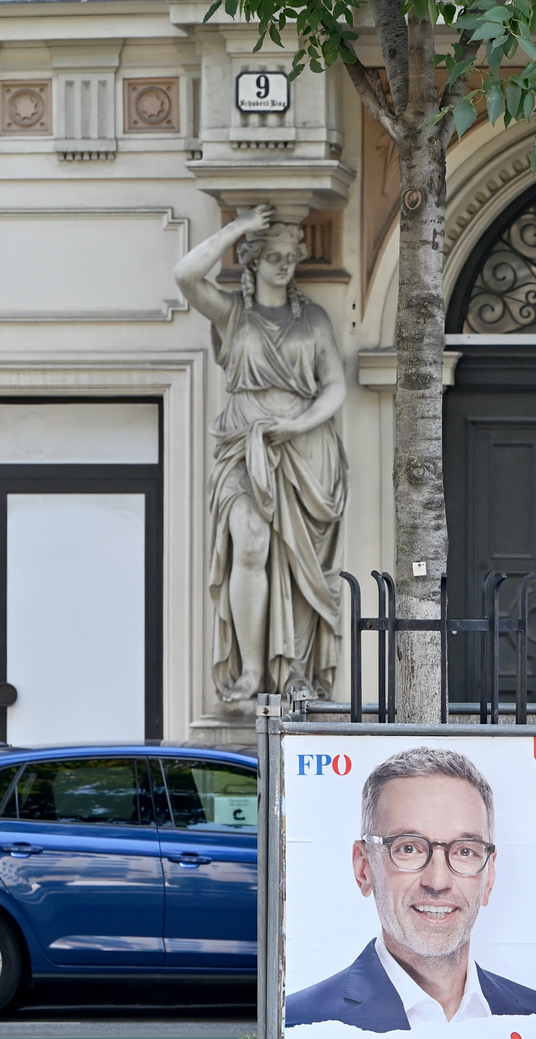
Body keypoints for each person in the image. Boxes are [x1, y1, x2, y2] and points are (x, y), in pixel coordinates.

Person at [173, 204, 348, 706]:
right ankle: (252, 670)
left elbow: (334, 386)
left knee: (296, 560)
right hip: (242, 447)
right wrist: (238, 227)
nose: (284, 264)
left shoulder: (313, 319)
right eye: (272, 255)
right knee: (248, 548)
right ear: (252, 261)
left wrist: (298, 424)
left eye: (290, 256)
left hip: (305, 448)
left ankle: (291, 671)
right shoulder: (233, 314)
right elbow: (185, 275)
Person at [284, 747, 536, 1031]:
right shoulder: (298, 1025)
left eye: (465, 851)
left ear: (489, 875)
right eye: (409, 848)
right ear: (364, 867)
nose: (438, 881)